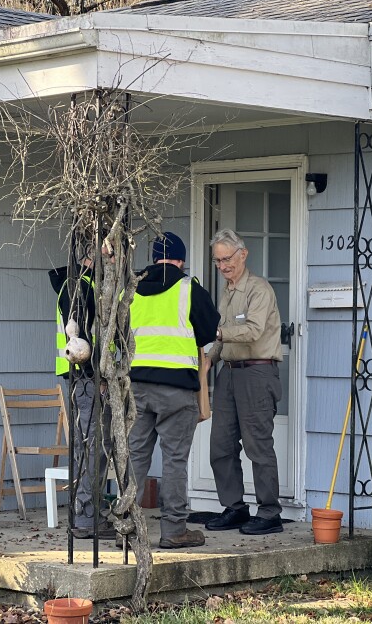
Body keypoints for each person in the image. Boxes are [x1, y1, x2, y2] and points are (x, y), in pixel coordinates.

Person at [128, 231, 220, 548]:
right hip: (177, 389)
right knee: (174, 460)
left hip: (137, 386)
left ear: (155, 259)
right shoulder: (187, 289)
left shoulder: (133, 289)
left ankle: (125, 530)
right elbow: (209, 330)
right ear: (180, 260)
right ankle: (173, 531)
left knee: (136, 456)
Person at [204, 228, 284, 535]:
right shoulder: (226, 293)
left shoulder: (259, 289)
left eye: (227, 259)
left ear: (243, 254)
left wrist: (217, 334)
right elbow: (223, 336)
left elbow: (252, 331)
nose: (223, 266)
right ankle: (234, 508)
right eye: (217, 261)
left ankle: (269, 512)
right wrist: (211, 358)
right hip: (230, 373)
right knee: (220, 445)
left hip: (258, 372)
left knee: (258, 445)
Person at [48, 251, 114, 539]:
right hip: (87, 379)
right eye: (109, 252)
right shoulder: (80, 287)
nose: (113, 259)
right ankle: (87, 518)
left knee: (84, 446)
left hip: (79, 380)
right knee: (91, 447)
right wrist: (95, 376)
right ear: (93, 253)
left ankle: (83, 514)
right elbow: (80, 342)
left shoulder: (76, 284)